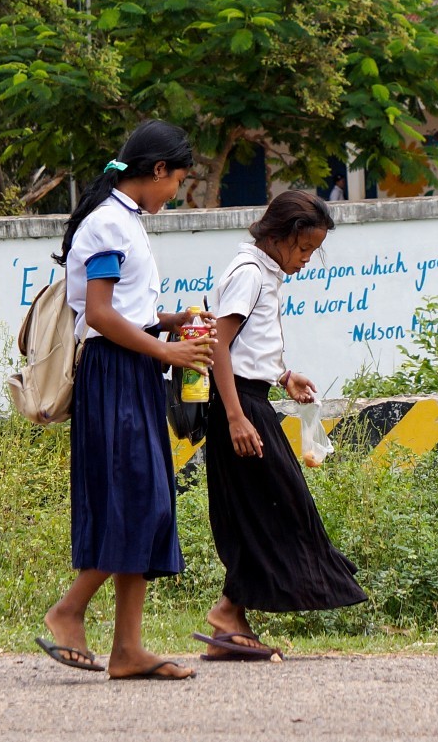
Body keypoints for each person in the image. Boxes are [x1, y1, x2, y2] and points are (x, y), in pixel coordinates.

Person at [37, 120, 214, 680]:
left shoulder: (126, 220)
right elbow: (99, 314)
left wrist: (174, 322)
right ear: (157, 169)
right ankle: (68, 611)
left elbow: (126, 311)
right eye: (177, 182)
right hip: (114, 374)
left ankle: (127, 650)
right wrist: (169, 355)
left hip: (131, 369)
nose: (176, 195)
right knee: (139, 501)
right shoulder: (109, 224)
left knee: (147, 502)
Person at [195, 189, 366, 661]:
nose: (306, 260)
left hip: (252, 400)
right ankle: (228, 612)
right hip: (241, 408)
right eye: (303, 248)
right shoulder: (249, 275)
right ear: (279, 236)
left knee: (267, 510)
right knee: (281, 509)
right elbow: (218, 349)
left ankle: (232, 618)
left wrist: (284, 375)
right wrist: (234, 418)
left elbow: (250, 347)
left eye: (312, 251)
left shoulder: (261, 274)